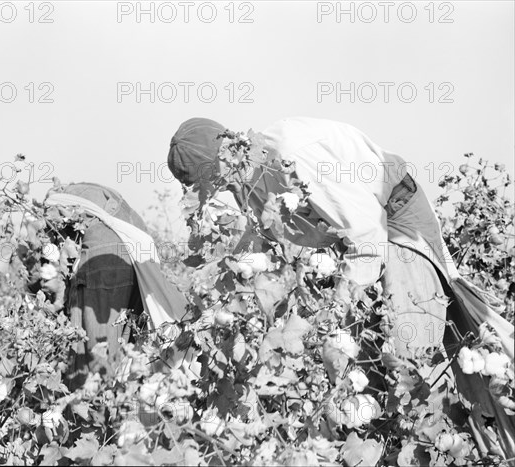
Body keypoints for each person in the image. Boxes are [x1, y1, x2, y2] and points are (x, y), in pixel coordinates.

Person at [167, 117, 514, 459]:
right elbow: (279, 253)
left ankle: (445, 438)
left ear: (230, 154)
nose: (222, 189)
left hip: (394, 224)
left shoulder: (292, 156)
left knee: (409, 358)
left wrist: (339, 309)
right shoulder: (250, 183)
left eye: (219, 180)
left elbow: (366, 235)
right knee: (368, 375)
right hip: (356, 248)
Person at [44, 182, 189, 388]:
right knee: (124, 344)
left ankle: (99, 408)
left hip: (101, 259)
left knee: (97, 358)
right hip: (119, 254)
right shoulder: (101, 198)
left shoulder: (64, 219)